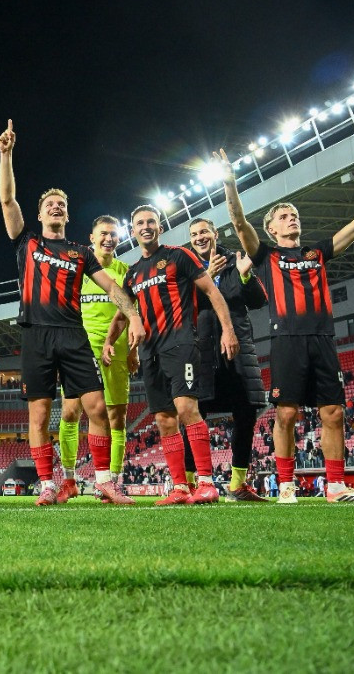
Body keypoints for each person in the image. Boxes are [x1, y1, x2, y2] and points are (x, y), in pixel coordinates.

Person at [220, 147, 354, 504]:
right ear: (271, 228)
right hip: (287, 339)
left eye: (294, 214)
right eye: (283, 215)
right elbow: (238, 222)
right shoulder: (266, 255)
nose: (292, 218)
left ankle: (336, 486)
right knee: (287, 413)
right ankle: (287, 485)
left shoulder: (317, 253)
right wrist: (230, 184)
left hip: (323, 338)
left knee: (333, 412)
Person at [0, 119, 144, 506]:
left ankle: (104, 483)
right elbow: (8, 201)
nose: (56, 206)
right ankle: (48, 484)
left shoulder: (82, 252)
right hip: (36, 334)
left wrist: (136, 317)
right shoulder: (26, 242)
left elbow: (113, 286)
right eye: (49, 204)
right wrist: (6, 154)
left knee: (97, 407)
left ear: (66, 214)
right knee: (41, 415)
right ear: (41, 214)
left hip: (73, 335)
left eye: (61, 204)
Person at [105, 205, 239, 505]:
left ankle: (206, 483)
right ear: (133, 231)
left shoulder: (179, 255)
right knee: (165, 419)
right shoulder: (133, 273)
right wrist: (111, 343)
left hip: (180, 345)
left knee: (186, 409)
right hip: (150, 354)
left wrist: (228, 330)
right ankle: (179, 487)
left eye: (151, 221)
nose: (146, 227)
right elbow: (123, 314)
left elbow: (213, 293)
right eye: (139, 223)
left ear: (160, 227)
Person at [48, 215, 137, 502]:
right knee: (70, 412)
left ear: (119, 239)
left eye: (113, 233)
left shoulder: (127, 272)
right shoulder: (80, 270)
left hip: (117, 351)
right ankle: (69, 479)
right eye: (103, 233)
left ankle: (111, 482)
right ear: (92, 237)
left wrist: (133, 351)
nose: (108, 238)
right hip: (80, 352)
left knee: (116, 418)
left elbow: (132, 314)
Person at [188, 217, 269, 502]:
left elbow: (259, 300)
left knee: (246, 412)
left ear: (215, 233)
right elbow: (182, 307)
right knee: (194, 414)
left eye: (204, 232)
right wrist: (205, 276)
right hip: (201, 348)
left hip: (236, 346)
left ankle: (238, 484)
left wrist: (247, 276)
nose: (199, 237)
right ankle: (191, 484)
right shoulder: (187, 267)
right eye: (194, 233)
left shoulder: (235, 261)